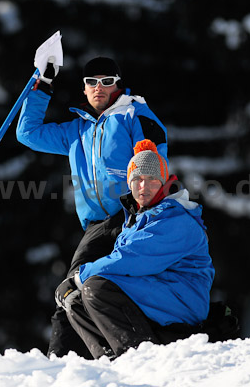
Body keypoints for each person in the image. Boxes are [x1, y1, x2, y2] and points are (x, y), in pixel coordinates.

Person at [16, 57, 169, 357]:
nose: (98, 88)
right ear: (83, 89)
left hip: (130, 218)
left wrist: (143, 211)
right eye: (91, 82)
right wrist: (42, 85)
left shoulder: (133, 115)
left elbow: (152, 164)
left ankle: (122, 354)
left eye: (106, 81)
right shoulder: (78, 131)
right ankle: (72, 361)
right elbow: (28, 133)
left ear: (118, 85)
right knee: (78, 291)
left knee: (97, 288)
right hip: (96, 226)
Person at [54, 139, 215, 359]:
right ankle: (111, 358)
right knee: (76, 298)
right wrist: (76, 284)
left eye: (151, 179)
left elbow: (131, 259)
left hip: (182, 303)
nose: (143, 186)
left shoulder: (175, 217)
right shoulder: (137, 217)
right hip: (157, 294)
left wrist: (79, 277)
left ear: (164, 181)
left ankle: (138, 357)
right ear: (129, 183)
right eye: (137, 179)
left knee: (96, 287)